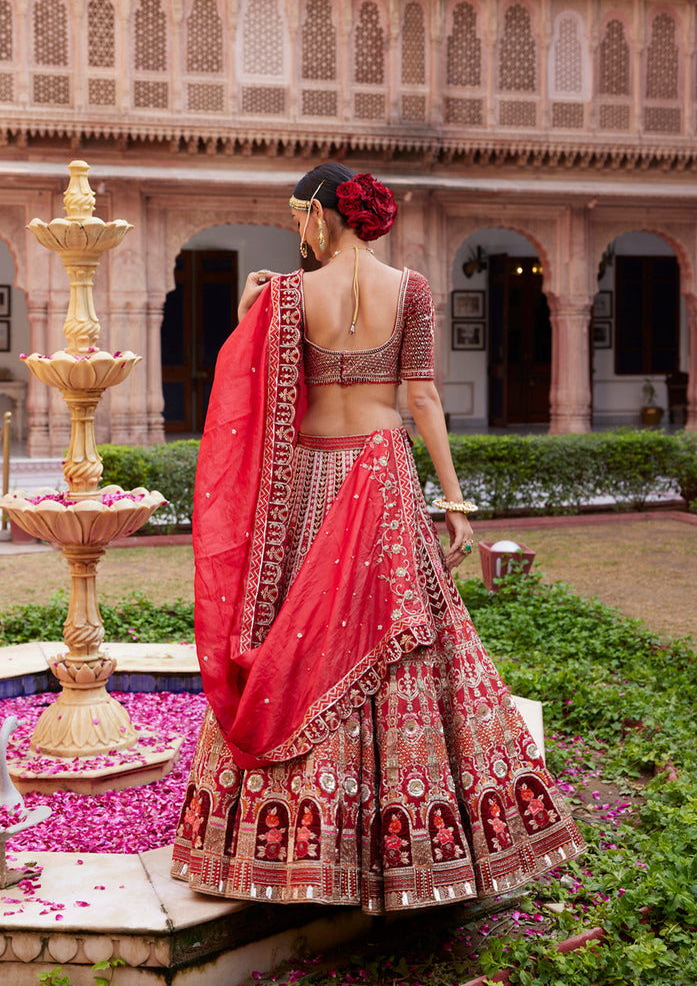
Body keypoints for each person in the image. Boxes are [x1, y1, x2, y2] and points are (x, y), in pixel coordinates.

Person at [171, 163, 583, 912]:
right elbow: (422, 397)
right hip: (384, 478)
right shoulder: (413, 289)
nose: (297, 228)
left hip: (310, 487)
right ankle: (422, 851)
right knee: (410, 644)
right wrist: (454, 502)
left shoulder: (288, 295)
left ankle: (293, 848)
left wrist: (245, 314)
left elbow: (258, 395)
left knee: (300, 639)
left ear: (323, 217)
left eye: (301, 215)